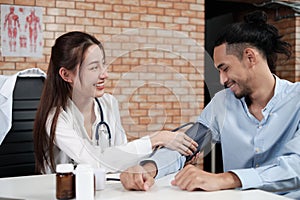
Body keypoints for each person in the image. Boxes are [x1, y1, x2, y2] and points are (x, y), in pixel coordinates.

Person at [119, 10, 300, 198]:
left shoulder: (297, 100)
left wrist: (226, 179)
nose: (222, 80)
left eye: (225, 69)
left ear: (250, 57)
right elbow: (187, 144)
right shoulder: (221, 104)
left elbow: (296, 167)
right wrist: (148, 168)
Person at [33, 31, 198, 174]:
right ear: (66, 75)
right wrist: (154, 139)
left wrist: (174, 156)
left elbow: (123, 157)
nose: (104, 74)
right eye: (93, 67)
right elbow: (94, 161)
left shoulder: (108, 103)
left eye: (103, 64)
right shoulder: (56, 118)